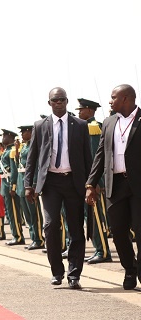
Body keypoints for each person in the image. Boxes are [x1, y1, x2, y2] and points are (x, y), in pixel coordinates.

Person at [25, 87, 92, 289]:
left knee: (76, 229)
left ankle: (74, 275)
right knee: (51, 226)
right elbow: (32, 158)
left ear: (67, 101)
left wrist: (91, 184)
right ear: (49, 103)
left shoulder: (80, 125)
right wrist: (29, 184)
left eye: (62, 99)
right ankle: (57, 271)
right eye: (55, 100)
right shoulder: (40, 126)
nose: (59, 103)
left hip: (74, 182)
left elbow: (88, 157)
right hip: (51, 183)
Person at [85, 84, 141, 290]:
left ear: (126, 98)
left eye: (113, 97)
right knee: (118, 232)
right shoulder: (108, 123)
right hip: (115, 185)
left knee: (140, 230)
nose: (110, 101)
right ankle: (130, 269)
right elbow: (100, 155)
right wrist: (91, 183)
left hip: (138, 187)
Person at [76, 98, 112, 264]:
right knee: (90, 217)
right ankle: (99, 249)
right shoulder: (86, 127)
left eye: (81, 110)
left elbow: (94, 157)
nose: (79, 113)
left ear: (89, 110)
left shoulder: (92, 127)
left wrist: (95, 181)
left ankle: (103, 251)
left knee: (97, 217)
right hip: (87, 180)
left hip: (93, 181)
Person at [15, 125, 45, 250]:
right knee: (27, 214)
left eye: (23, 132)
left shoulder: (35, 145)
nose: (21, 134)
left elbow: (36, 166)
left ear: (30, 132)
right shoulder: (24, 147)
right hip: (22, 183)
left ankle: (38, 239)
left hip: (30, 183)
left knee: (34, 213)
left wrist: (34, 185)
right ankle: (33, 238)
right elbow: (19, 165)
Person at [0, 129, 25, 245]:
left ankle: (18, 236)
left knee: (14, 212)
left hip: (9, 185)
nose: (2, 137)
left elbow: (14, 171)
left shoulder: (12, 151)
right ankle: (15, 234)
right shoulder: (6, 151)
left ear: (10, 137)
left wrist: (13, 186)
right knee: (10, 212)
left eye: (4, 135)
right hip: (5, 185)